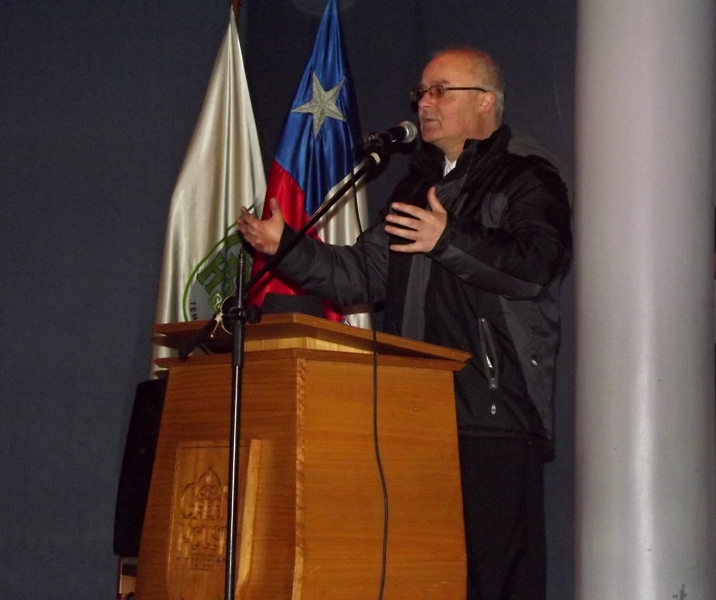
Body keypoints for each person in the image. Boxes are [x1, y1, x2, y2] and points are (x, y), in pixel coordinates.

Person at [238, 47, 572, 600]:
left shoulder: (527, 176)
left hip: (493, 417)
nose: (424, 104)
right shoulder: (415, 187)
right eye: (421, 93)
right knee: (424, 577)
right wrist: (288, 248)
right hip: (416, 413)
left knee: (490, 581)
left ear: (485, 101)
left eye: (441, 91)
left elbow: (537, 267)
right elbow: (362, 275)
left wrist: (448, 239)